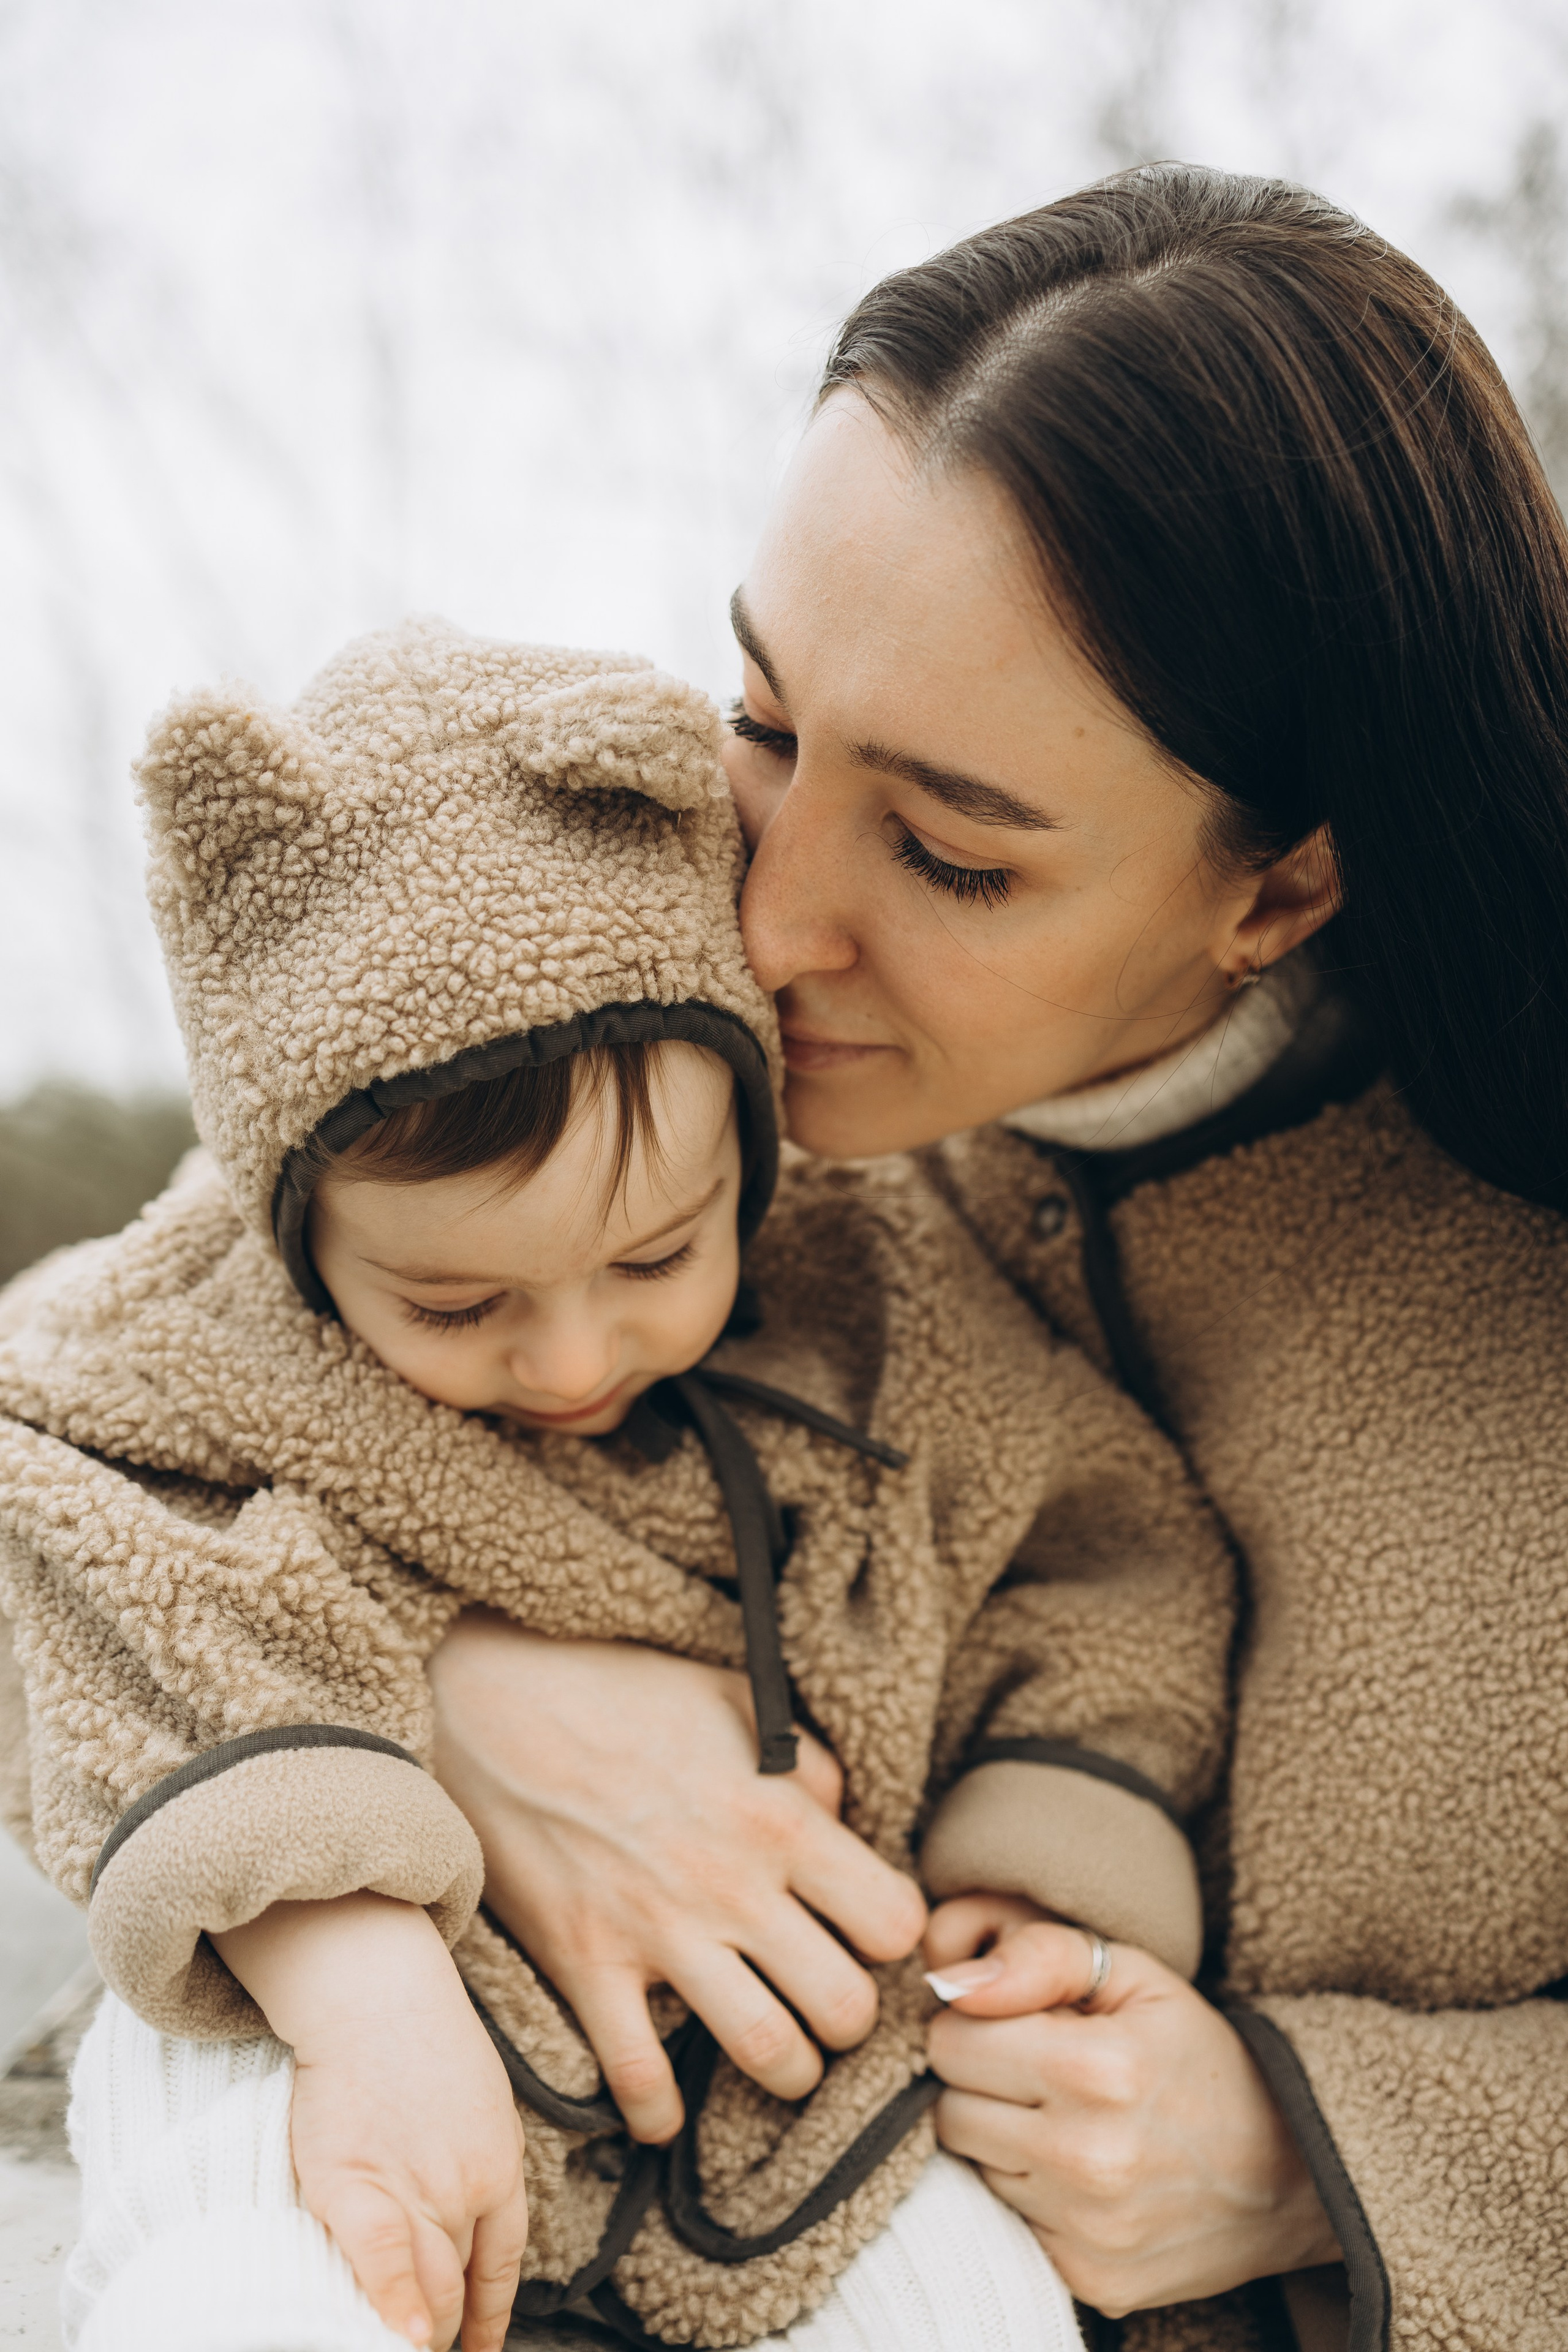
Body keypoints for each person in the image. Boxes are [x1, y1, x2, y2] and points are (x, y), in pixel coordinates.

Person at [426, 165, 1568, 2352]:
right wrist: (465, 1706)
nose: (763, 931)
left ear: (1284, 887)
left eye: (950, 851)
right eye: (763, 729)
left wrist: (1316, 2154)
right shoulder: (606, 1051)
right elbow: (84, 1434)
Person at [0, 621, 1234, 2352]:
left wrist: (1036, 1866)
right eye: (456, 1303)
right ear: (299, 1229)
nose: (573, 1358)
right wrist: (355, 1979)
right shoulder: (200, 1353)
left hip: (788, 2078)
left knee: (968, 2310)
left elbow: (1099, 1552)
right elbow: (86, 1556)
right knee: (254, 2271)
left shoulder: (876, 1299)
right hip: (301, 1991)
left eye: (657, 1256)